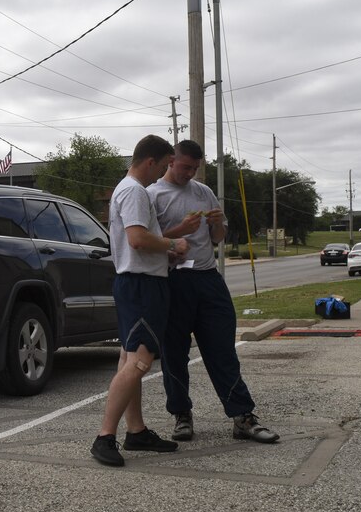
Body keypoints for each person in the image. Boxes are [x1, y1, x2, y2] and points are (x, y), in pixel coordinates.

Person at [149, 140, 279, 444]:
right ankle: (181, 414)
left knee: (222, 350)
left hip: (208, 279)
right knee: (174, 354)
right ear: (171, 161)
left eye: (195, 168)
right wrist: (180, 230)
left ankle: (242, 417)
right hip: (173, 279)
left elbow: (217, 238)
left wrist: (218, 224)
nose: (190, 173)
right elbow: (148, 239)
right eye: (185, 167)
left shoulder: (203, 192)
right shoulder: (153, 195)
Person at [90, 135, 185, 467]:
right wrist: (173, 246)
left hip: (138, 282)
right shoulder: (134, 191)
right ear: (150, 162)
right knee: (140, 362)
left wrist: (165, 253)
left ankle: (136, 430)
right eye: (162, 166)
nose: (161, 173)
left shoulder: (126, 189)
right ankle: (104, 437)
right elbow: (138, 238)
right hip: (142, 287)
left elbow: (137, 242)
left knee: (129, 360)